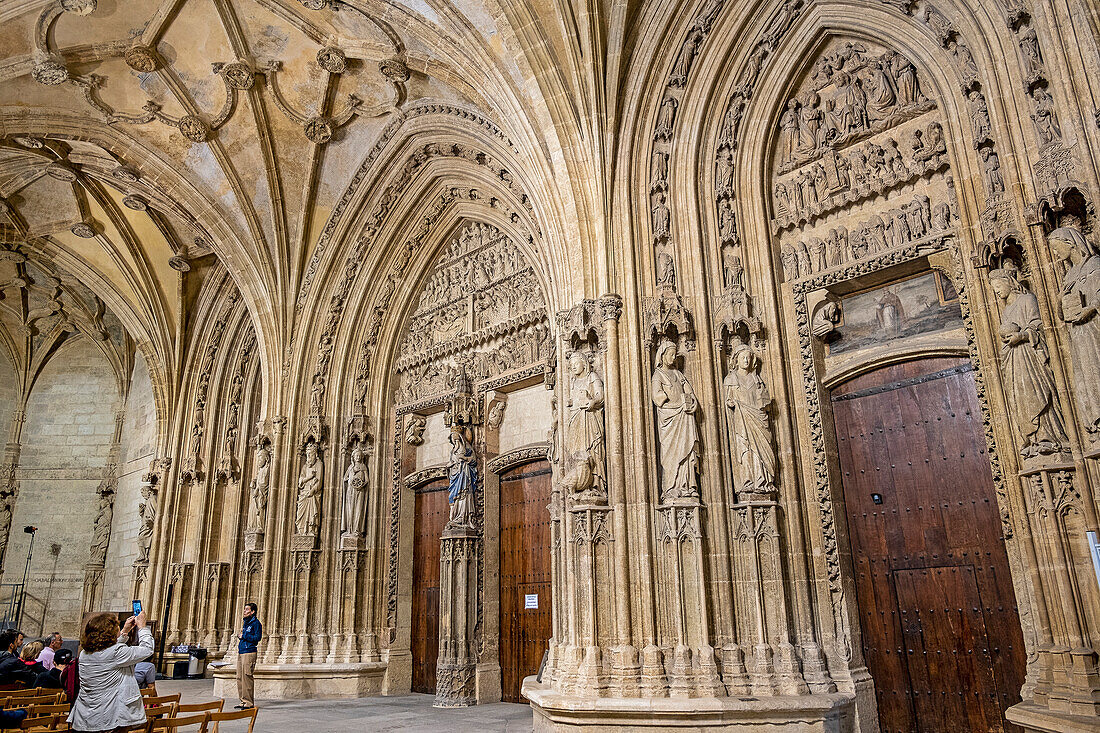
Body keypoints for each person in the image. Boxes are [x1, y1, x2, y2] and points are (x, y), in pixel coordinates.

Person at [67, 611, 153, 732]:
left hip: (87, 714)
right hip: (109, 715)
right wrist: (143, 627)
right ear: (110, 634)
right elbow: (147, 649)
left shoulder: (84, 654)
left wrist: (124, 631)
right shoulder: (116, 653)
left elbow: (109, 652)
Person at [236, 602, 261, 710]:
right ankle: (242, 701)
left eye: (247, 610)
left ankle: (249, 702)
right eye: (245, 609)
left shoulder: (256, 623)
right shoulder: (246, 623)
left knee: (247, 677)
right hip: (242, 651)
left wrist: (244, 635)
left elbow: (257, 638)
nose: (244, 611)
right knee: (239, 677)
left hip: (249, 652)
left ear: (252, 611)